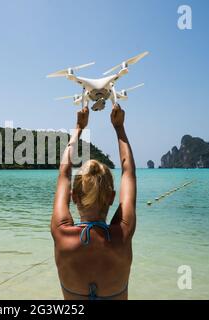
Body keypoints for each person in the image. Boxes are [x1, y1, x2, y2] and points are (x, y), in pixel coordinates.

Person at [51, 104, 136, 300]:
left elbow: (64, 174)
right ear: (111, 197)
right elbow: (128, 173)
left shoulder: (61, 233)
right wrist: (119, 127)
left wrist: (78, 127)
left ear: (74, 197)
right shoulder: (122, 232)